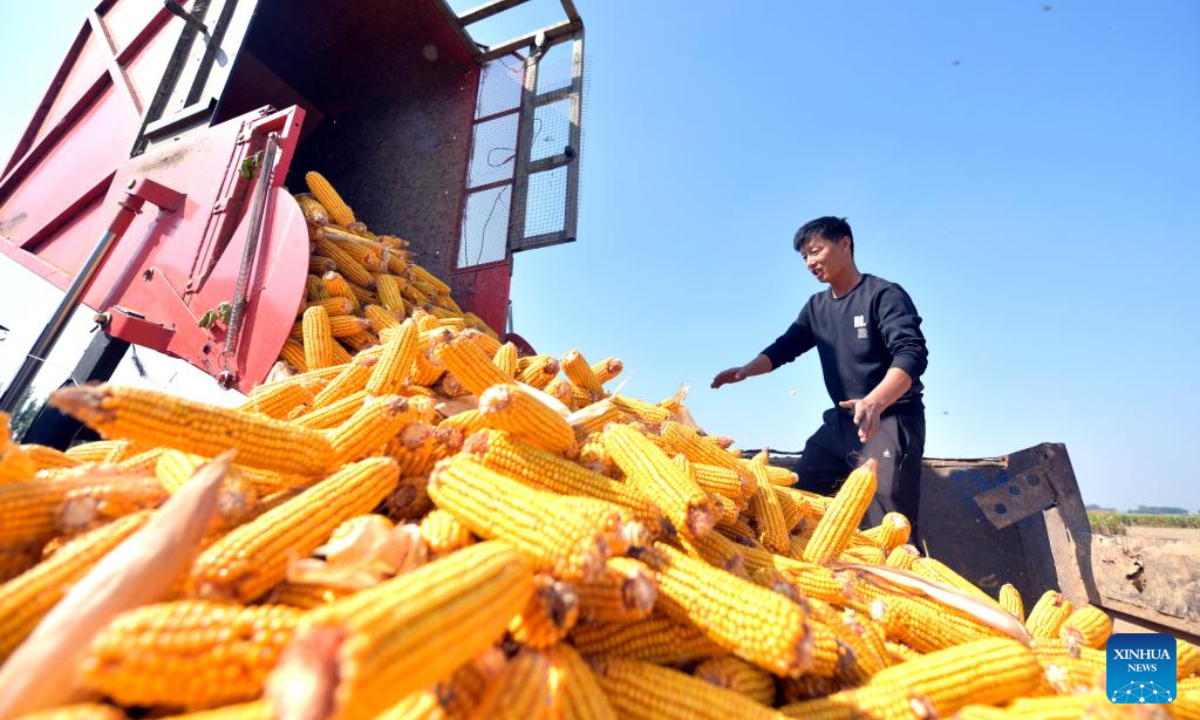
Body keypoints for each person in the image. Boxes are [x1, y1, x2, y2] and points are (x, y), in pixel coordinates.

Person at [711, 216, 929, 539]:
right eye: (804, 258)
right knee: (793, 501)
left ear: (845, 243)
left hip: (890, 420)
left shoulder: (882, 295)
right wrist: (745, 370)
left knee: (890, 531)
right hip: (842, 424)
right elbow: (786, 346)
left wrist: (874, 401)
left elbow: (912, 354)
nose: (811, 262)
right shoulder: (816, 307)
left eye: (815, 251)